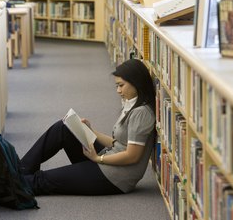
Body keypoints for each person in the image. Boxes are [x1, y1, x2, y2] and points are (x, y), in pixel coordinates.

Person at [20, 58, 156, 195]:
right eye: (117, 86)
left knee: (42, 180)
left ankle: (11, 183)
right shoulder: (132, 103)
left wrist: (98, 159)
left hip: (114, 177)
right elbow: (118, 143)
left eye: (121, 85)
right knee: (63, 128)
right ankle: (19, 170)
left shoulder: (141, 113)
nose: (118, 91)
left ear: (136, 83)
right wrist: (91, 131)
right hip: (107, 159)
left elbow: (132, 156)